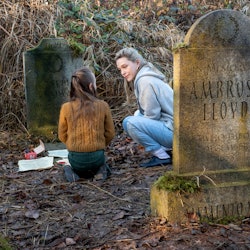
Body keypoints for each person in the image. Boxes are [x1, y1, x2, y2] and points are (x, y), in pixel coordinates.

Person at [115, 47, 173, 168]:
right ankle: (164, 149)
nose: (122, 72)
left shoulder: (145, 81)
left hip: (173, 133)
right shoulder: (147, 75)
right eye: (120, 69)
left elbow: (152, 116)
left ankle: (162, 155)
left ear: (137, 63)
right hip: (174, 128)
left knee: (129, 122)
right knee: (137, 115)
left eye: (125, 66)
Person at [58, 67, 115, 182]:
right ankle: (100, 171)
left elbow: (62, 135)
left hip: (76, 160)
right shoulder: (103, 106)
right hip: (97, 157)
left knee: (67, 165)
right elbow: (110, 133)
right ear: (91, 86)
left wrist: (73, 144)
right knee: (103, 161)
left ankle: (71, 173)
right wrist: (99, 144)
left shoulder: (66, 108)